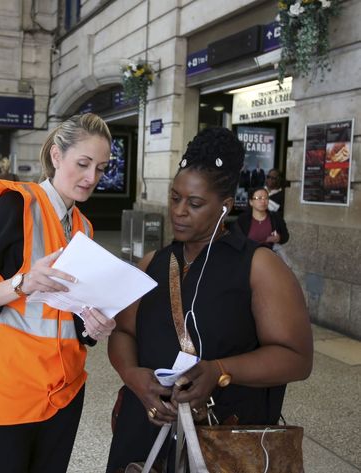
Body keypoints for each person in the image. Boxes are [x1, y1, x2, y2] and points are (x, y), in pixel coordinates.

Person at [106, 127, 312, 472]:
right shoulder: (154, 262)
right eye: (175, 198)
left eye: (195, 203)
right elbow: (123, 333)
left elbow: (296, 358)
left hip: (221, 437)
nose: (180, 211)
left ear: (225, 207)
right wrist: (132, 375)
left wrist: (220, 370)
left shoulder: (258, 266)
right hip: (144, 427)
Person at [0, 113, 117, 473]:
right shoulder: (13, 206)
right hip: (6, 394)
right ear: (56, 156)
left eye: (100, 169)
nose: (91, 178)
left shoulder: (82, 227)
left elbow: (67, 317)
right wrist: (21, 284)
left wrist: (93, 327)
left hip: (63, 395)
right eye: (83, 164)